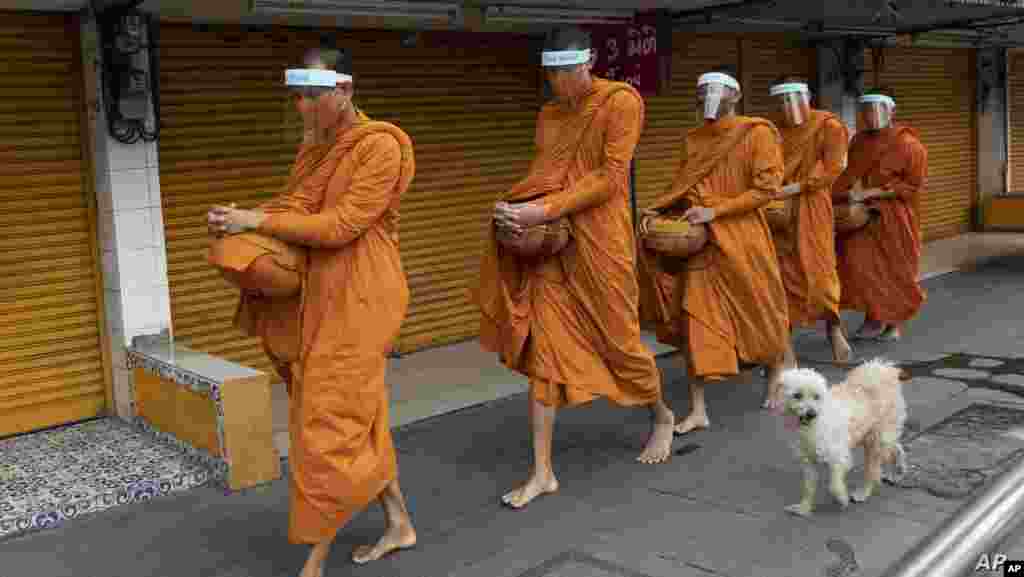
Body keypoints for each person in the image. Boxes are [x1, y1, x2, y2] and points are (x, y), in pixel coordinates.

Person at [207, 42, 417, 576]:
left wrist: (258, 222)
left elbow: (342, 226)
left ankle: (316, 554)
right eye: (296, 98)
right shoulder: (316, 146)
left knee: (325, 422)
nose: (303, 108)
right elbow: (297, 207)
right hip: (317, 291)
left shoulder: (381, 146)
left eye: (312, 97)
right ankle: (399, 521)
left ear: (344, 90)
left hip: (362, 293)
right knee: (352, 415)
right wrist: (240, 220)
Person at [469, 25, 676, 510]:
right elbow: (547, 174)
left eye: (567, 72)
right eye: (552, 75)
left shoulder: (621, 102)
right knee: (545, 350)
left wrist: (541, 210)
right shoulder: (548, 116)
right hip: (553, 245)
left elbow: (608, 178)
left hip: (601, 239)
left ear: (589, 64)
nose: (559, 83)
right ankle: (542, 471)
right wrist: (515, 205)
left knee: (620, 340)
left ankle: (662, 414)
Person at [637, 66, 791, 432]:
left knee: (759, 311)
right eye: (703, 88)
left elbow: (765, 189)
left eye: (717, 89)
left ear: (735, 96)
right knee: (696, 320)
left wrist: (716, 210)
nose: (710, 96)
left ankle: (775, 373)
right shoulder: (694, 139)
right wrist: (660, 209)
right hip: (701, 242)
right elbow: (685, 185)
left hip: (744, 238)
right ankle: (699, 408)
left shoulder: (757, 133)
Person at [767, 75, 853, 389]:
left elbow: (833, 168)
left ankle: (833, 329)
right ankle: (786, 351)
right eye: (782, 101)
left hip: (813, 208)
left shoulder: (828, 126)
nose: (788, 107)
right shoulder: (774, 132)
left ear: (808, 97)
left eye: (794, 98)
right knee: (782, 277)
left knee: (820, 275)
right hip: (779, 214)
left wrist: (797, 186)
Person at [832, 87, 927, 341]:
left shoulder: (909, 145)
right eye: (867, 109)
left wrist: (874, 193)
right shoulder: (858, 142)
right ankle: (873, 318)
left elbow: (912, 186)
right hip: (861, 216)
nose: (872, 114)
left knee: (895, 271)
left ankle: (893, 323)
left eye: (878, 108)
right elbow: (849, 174)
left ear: (891, 111)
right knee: (863, 269)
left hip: (894, 217)